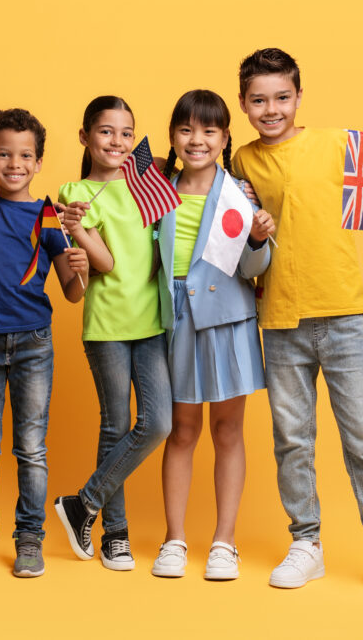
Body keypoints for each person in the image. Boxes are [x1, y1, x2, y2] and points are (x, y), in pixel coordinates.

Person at [231, 47, 363, 601]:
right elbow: (232, 234)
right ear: (244, 104)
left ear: (299, 97)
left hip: (343, 313)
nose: (271, 108)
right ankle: (306, 544)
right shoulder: (243, 162)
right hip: (278, 319)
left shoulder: (339, 145)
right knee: (292, 440)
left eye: (281, 97)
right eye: (259, 100)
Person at [0, 109, 88, 577]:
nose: (15, 163)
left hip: (33, 343)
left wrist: (80, 270)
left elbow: (71, 292)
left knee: (31, 448)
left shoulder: (48, 214)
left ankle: (30, 538)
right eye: (4, 154)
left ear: (39, 162)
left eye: (25, 155)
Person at [150, 90, 275, 581]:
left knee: (227, 431)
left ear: (225, 138)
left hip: (227, 318)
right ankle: (174, 539)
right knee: (181, 431)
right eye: (186, 129)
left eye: (208, 131)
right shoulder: (156, 188)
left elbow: (253, 266)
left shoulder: (238, 193)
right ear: (173, 137)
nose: (196, 140)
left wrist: (260, 238)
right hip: (174, 316)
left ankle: (225, 541)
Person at [52, 96, 173, 571]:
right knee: (115, 425)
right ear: (85, 137)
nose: (117, 142)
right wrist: (78, 228)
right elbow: (105, 264)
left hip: (154, 321)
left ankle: (84, 502)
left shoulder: (148, 183)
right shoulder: (75, 191)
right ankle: (115, 535)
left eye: (126, 133)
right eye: (105, 132)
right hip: (106, 324)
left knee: (157, 421)